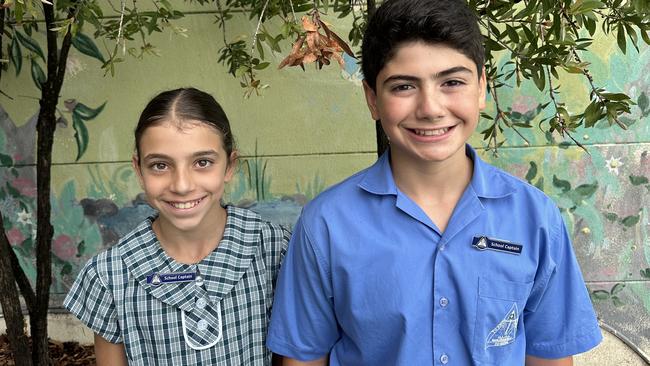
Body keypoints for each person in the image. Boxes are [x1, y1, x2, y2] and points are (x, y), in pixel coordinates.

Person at [266, 0, 602, 365]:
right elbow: (304, 359)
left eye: (452, 82)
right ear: (372, 100)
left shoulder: (535, 218)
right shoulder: (326, 225)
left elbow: (548, 356)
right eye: (404, 87)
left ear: (480, 88)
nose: (430, 108)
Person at [64, 87, 289, 365]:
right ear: (139, 169)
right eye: (160, 165)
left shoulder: (274, 249)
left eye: (202, 162)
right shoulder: (110, 275)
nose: (182, 185)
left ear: (230, 166)